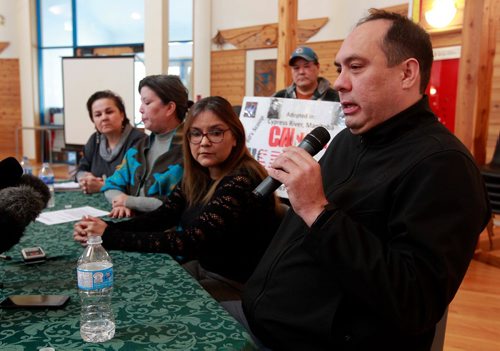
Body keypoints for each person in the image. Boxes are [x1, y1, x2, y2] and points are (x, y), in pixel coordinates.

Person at [240, 9, 491, 350]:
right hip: (261, 320)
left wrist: (317, 209)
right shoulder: (347, 138)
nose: (341, 82)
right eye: (340, 68)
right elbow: (311, 234)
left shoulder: (444, 165)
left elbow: (415, 303)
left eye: (356, 67)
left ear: (407, 73)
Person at [74, 96, 282, 301]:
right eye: (196, 134)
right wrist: (104, 227)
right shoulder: (200, 173)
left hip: (237, 285)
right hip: (206, 269)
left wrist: (109, 235)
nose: (205, 142)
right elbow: (163, 216)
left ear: (235, 137)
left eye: (216, 133)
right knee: (133, 284)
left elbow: (189, 242)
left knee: (145, 298)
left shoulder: (243, 180)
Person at [101, 75, 189, 218]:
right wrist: (120, 203)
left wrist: (130, 201)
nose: (141, 109)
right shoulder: (139, 148)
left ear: (170, 108)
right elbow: (111, 185)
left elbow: (182, 204)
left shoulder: (193, 150)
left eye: (147, 103)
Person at [76, 90, 146, 194]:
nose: (104, 118)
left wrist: (103, 186)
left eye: (109, 112)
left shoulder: (139, 141)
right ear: (93, 120)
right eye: (98, 115)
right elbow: (81, 169)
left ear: (122, 114)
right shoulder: (94, 140)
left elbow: (139, 184)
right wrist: (85, 178)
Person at [273, 46, 339, 102]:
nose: (301, 72)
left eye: (306, 66)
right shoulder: (278, 98)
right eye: (296, 68)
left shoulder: (335, 98)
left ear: (317, 67)